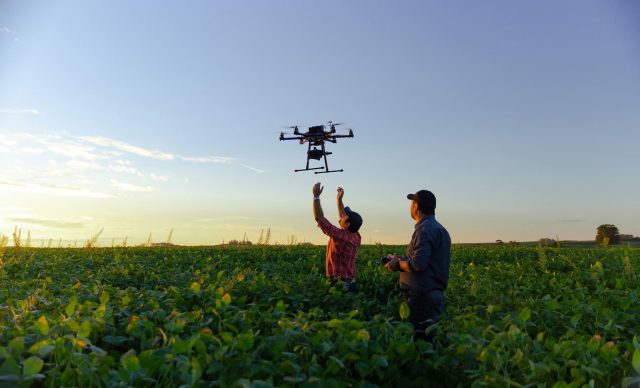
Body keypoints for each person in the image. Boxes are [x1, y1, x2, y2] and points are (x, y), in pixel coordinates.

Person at [384, 189, 451, 342]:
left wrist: (397, 264)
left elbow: (417, 264)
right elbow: (425, 259)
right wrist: (400, 258)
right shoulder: (440, 229)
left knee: (420, 343)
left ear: (416, 206)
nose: (410, 207)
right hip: (431, 295)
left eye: (412, 203)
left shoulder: (424, 229)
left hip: (422, 298)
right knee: (428, 341)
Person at [312, 182, 363, 292]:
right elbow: (342, 217)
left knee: (336, 308)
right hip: (350, 282)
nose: (342, 215)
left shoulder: (341, 236)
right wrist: (339, 200)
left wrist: (316, 197)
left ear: (348, 224)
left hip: (339, 284)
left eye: (345, 215)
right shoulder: (356, 236)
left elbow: (319, 218)